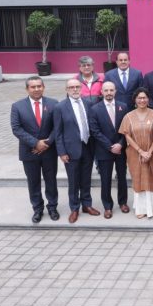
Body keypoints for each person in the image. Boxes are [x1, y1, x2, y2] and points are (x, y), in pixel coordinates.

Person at [10, 76, 59, 223]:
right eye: (33, 87)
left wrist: (47, 143)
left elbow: (58, 126)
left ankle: (52, 207)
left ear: (43, 87)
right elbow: (16, 129)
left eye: (39, 86)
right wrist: (36, 143)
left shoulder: (53, 104)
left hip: (49, 151)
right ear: (27, 89)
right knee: (33, 182)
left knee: (51, 181)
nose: (37, 89)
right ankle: (37, 209)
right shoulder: (17, 106)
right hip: (29, 152)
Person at [54, 79, 100, 223]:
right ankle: (74, 208)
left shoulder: (88, 104)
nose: (75, 89)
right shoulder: (60, 107)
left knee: (86, 179)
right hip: (71, 150)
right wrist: (61, 152)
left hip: (88, 147)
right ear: (67, 89)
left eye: (77, 87)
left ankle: (87, 205)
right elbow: (58, 132)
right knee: (73, 181)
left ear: (81, 88)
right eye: (71, 87)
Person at [119, 87, 153, 218]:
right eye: (139, 98)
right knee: (139, 179)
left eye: (144, 97)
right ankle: (141, 208)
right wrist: (141, 151)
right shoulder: (128, 116)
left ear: (148, 99)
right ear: (135, 100)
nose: (142, 100)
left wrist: (149, 152)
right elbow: (127, 136)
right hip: (135, 153)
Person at [88, 81, 130, 218]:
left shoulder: (123, 107)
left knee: (122, 178)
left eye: (111, 90)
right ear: (102, 92)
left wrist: (120, 144)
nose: (109, 93)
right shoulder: (95, 109)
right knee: (105, 180)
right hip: (104, 150)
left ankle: (123, 202)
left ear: (115, 91)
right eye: (106, 90)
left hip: (121, 149)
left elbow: (127, 129)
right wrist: (110, 146)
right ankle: (107, 206)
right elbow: (95, 131)